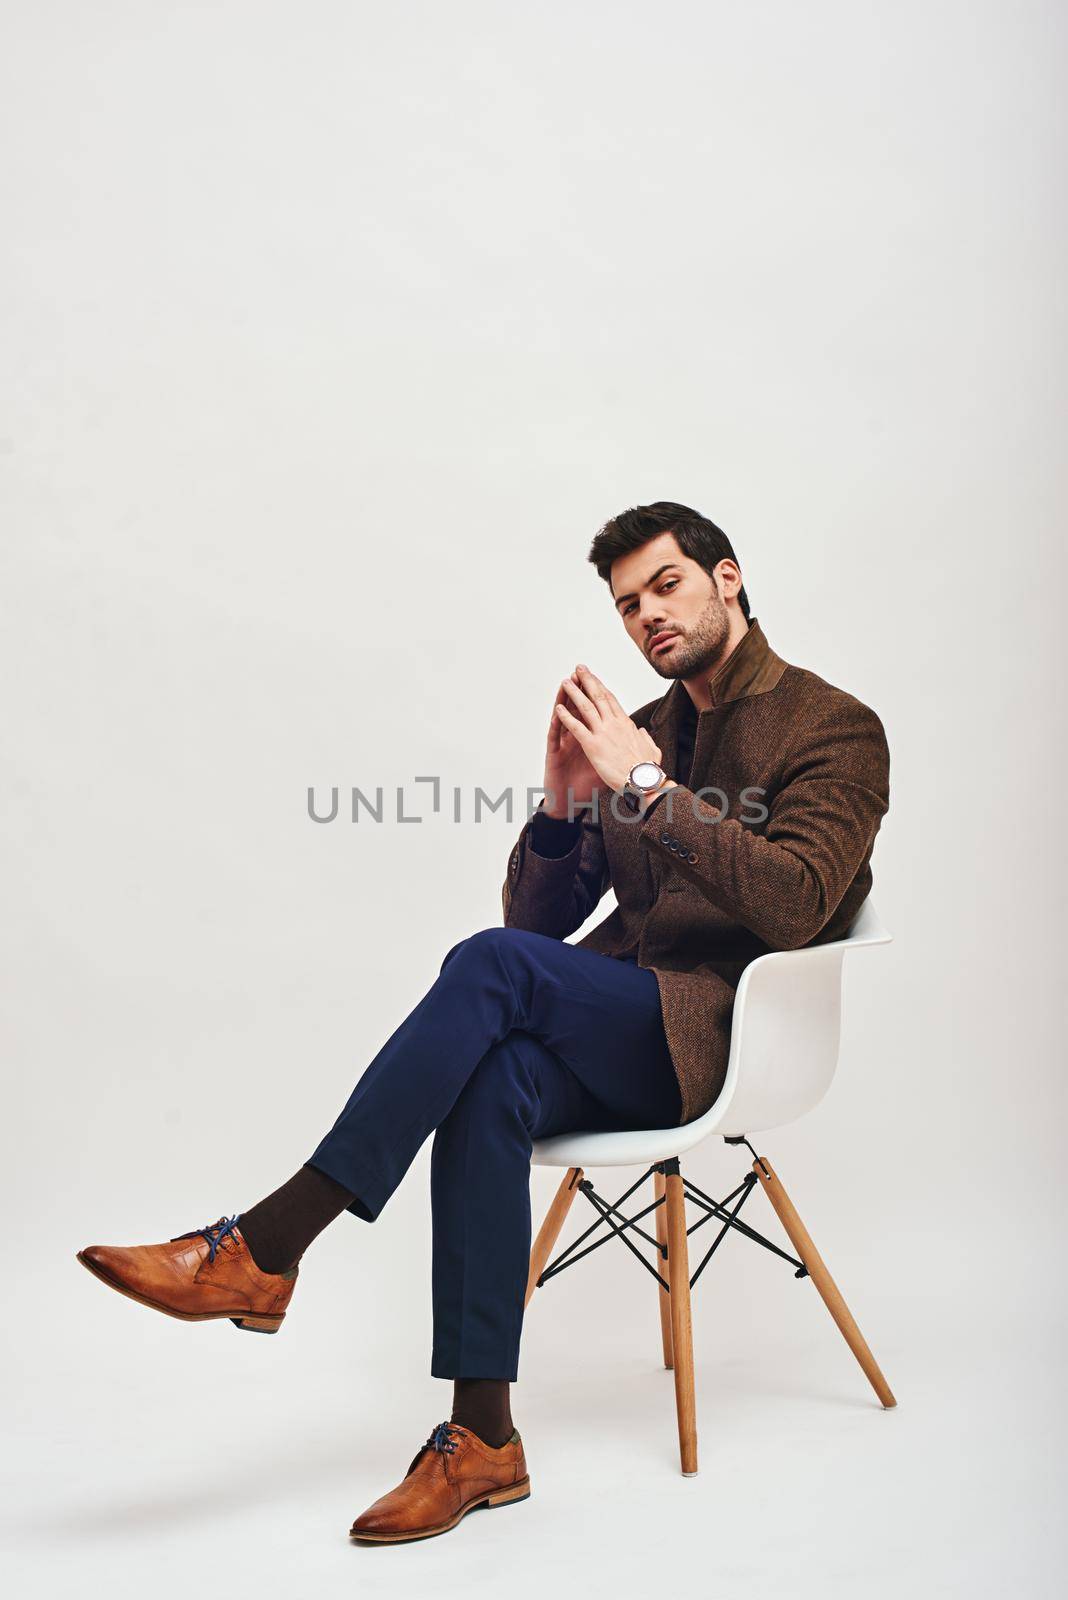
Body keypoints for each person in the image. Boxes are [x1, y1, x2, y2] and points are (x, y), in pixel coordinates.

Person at [77, 500, 890, 1545]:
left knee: (490, 971)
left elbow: (796, 899)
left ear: (727, 579)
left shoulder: (832, 725)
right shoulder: (639, 728)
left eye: (668, 586)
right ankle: (482, 1439)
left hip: (721, 1036)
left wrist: (641, 785)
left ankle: (267, 1246)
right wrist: (562, 808)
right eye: (629, 601)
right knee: (492, 1064)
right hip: (616, 1022)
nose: (649, 614)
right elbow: (540, 927)